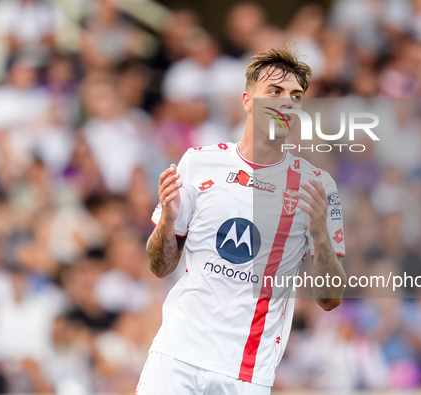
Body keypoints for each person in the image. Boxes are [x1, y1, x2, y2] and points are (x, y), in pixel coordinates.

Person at [137, 46, 347, 394]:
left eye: (295, 96)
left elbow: (331, 298)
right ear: (248, 101)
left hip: (246, 371)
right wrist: (167, 221)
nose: (285, 103)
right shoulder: (198, 163)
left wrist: (321, 236)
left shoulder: (318, 187)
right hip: (176, 354)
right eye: (275, 92)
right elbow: (160, 266)